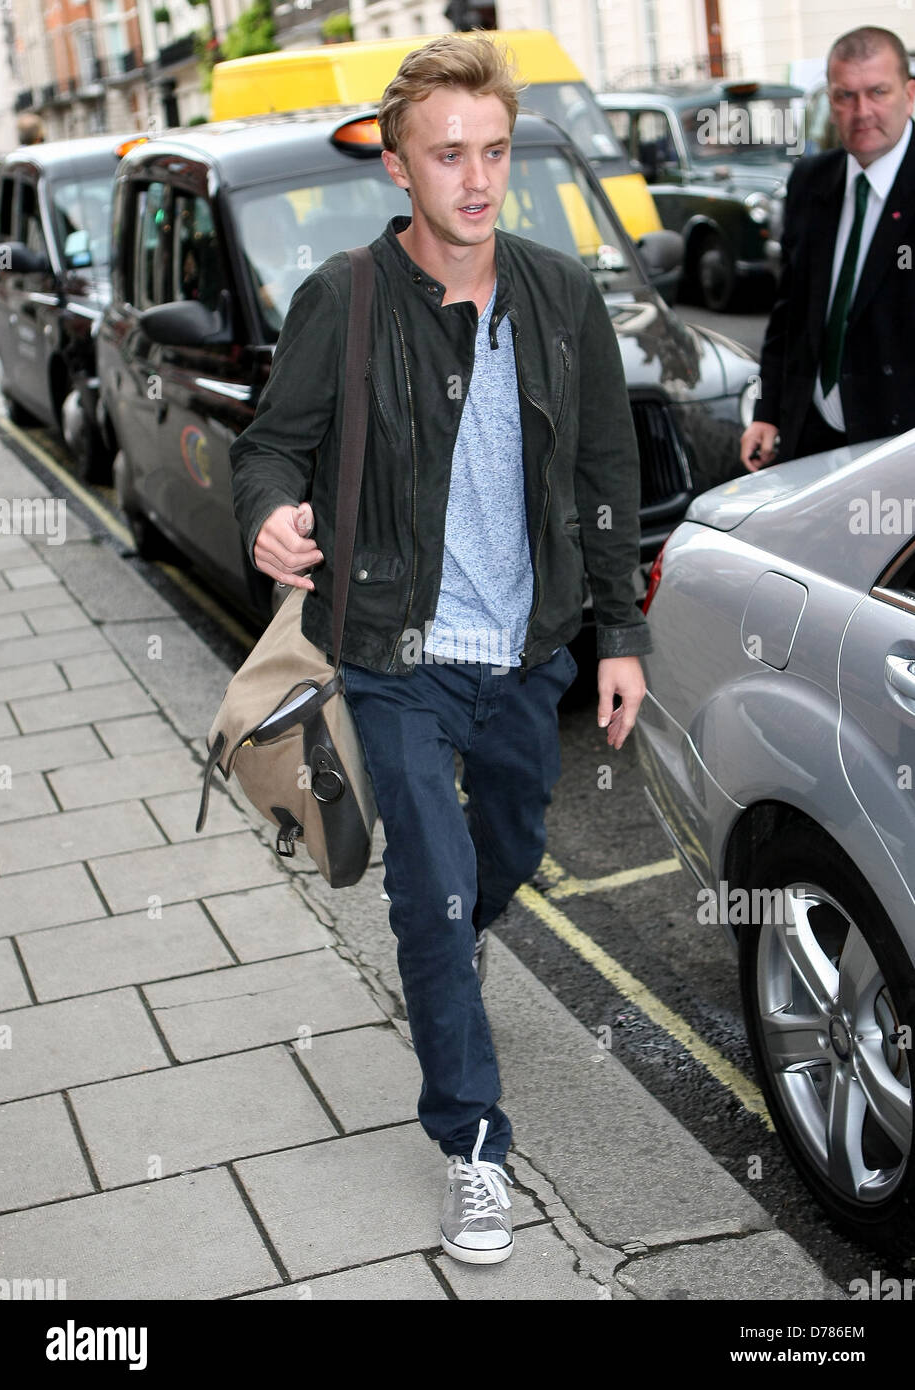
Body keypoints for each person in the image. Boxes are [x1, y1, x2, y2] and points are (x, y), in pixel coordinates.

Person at [229, 33, 650, 1265]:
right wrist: (267, 513)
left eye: (494, 151)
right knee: (432, 881)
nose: (476, 179)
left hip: (524, 653)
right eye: (448, 155)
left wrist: (618, 631)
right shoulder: (345, 299)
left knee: (508, 846)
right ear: (401, 169)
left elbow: (605, 473)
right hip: (392, 655)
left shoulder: (559, 292)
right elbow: (271, 442)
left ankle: (457, 932)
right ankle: (473, 1146)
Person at [740, 25, 915, 469]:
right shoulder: (810, 181)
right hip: (810, 439)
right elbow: (788, 314)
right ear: (830, 101)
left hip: (898, 451)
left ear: (909, 94)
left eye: (878, 92)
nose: (862, 112)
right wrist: (767, 412)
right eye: (845, 96)